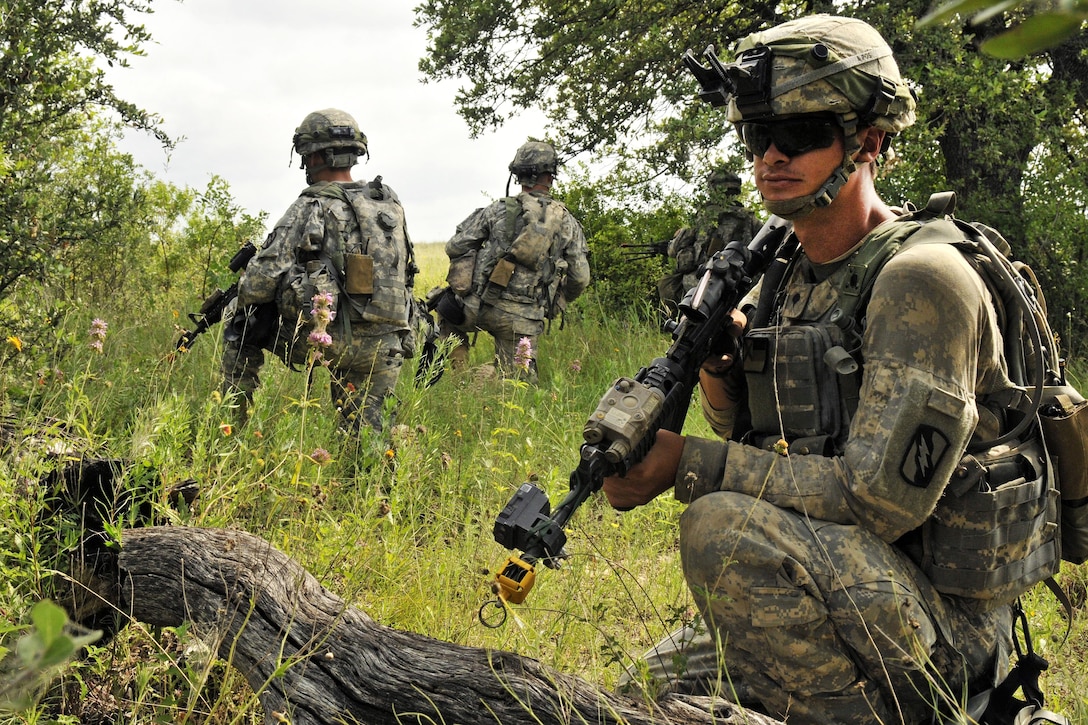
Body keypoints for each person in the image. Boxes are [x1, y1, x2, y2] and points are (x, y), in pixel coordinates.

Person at [603, 15, 1060, 725]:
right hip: (841, 582)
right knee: (634, 698)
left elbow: (882, 501)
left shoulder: (922, 281)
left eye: (803, 134)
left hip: (942, 623)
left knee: (718, 529)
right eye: (759, 136)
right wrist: (720, 368)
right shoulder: (787, 270)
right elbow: (753, 431)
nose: (772, 156)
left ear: (869, 142)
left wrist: (686, 463)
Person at [221, 108, 417, 432]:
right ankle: (377, 468)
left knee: (238, 321)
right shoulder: (389, 204)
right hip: (389, 340)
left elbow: (258, 283)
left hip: (328, 339)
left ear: (314, 157)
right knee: (368, 435)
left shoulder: (312, 203)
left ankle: (232, 427)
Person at [435, 140, 590, 384]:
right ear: (550, 175)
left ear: (517, 175)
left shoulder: (496, 210)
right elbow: (580, 278)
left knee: (446, 316)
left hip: (476, 306)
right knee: (519, 384)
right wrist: (557, 300)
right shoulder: (566, 222)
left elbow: (455, 246)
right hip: (523, 319)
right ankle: (496, 381)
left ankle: (462, 381)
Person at [657, 167, 759, 314]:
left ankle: (675, 319)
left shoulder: (702, 217)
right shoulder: (749, 218)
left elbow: (673, 250)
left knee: (668, 284)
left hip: (701, 282)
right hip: (739, 283)